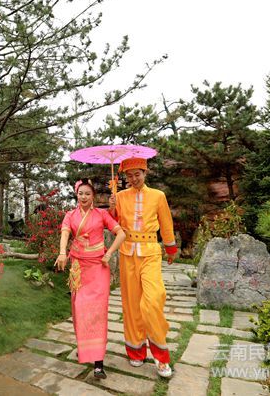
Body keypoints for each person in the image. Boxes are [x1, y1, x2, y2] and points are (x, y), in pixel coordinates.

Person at [108, 157, 178, 378]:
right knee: (131, 306)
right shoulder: (119, 196)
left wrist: (170, 248)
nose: (133, 179)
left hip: (150, 253)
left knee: (153, 300)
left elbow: (166, 223)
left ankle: (161, 357)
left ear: (145, 173)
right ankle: (136, 351)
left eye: (137, 174)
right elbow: (113, 225)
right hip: (127, 254)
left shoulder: (158, 196)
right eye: (129, 176)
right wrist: (112, 208)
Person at [55, 178, 126, 379]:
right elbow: (65, 234)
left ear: (93, 195)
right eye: (81, 193)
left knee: (97, 312)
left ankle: (98, 363)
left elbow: (121, 234)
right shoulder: (70, 215)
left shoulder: (102, 214)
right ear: (76, 195)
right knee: (80, 310)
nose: (84, 197)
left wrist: (109, 253)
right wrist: (62, 253)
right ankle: (85, 347)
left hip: (98, 267)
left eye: (87, 193)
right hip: (78, 268)